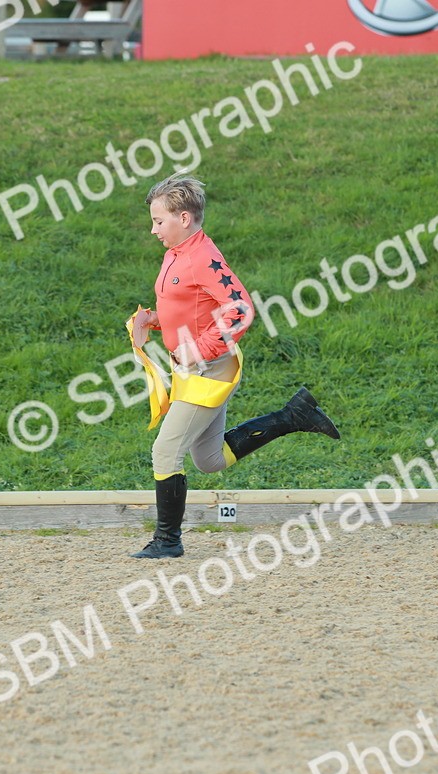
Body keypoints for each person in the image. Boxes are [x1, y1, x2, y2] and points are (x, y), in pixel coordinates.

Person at [127, 174, 341, 559]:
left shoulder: (203, 259)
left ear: (185, 218)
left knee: (164, 452)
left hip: (207, 373)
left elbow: (240, 309)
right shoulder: (177, 253)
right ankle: (293, 416)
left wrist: (200, 350)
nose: (153, 229)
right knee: (208, 460)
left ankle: (167, 540)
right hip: (194, 371)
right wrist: (154, 319)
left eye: (159, 221)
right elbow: (191, 306)